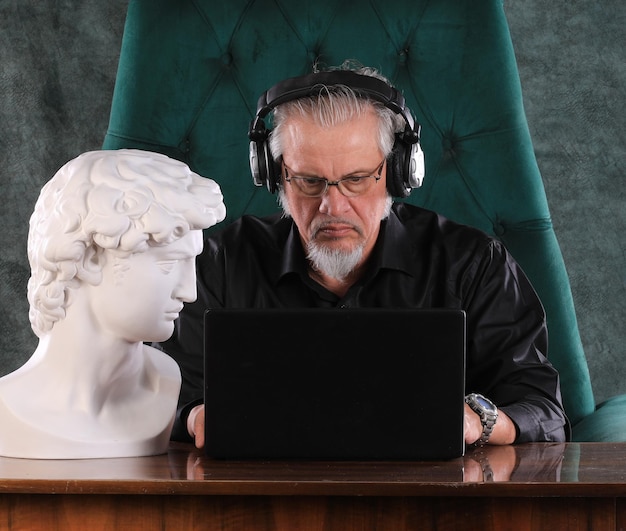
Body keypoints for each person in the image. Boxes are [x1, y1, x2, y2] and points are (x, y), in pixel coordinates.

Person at [159, 63, 570, 449]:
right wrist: (197, 418)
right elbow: (173, 399)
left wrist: (474, 419)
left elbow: (542, 411)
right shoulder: (217, 264)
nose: (332, 207)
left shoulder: (474, 264)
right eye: (308, 181)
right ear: (274, 175)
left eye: (355, 180)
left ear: (398, 173)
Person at [0, 149, 225, 458]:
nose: (189, 292)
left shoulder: (164, 383)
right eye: (168, 265)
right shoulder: (7, 408)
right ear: (91, 258)